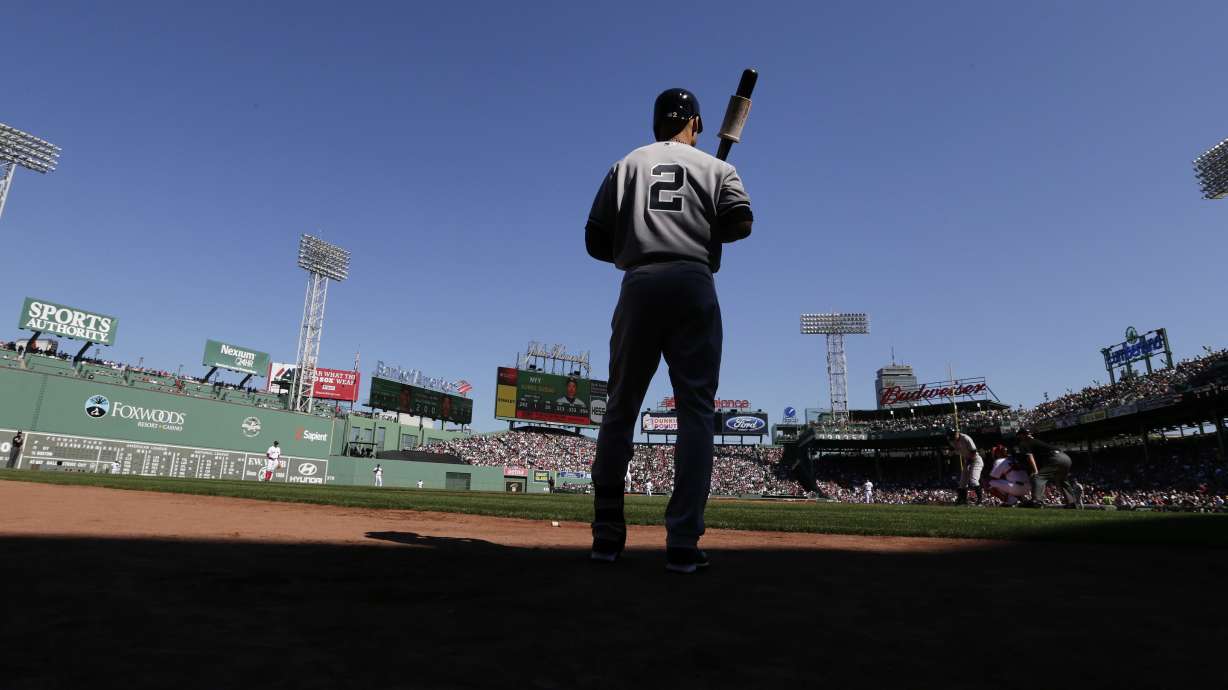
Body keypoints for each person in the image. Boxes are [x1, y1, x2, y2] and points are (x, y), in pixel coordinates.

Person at [586, 87, 753, 574]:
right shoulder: (717, 169)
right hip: (693, 283)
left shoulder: (627, 163)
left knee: (619, 408)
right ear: (697, 124)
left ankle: (607, 535)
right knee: (697, 412)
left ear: (655, 123)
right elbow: (741, 223)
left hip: (638, 283)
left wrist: (635, 241)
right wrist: (705, 231)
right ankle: (682, 541)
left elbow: (595, 240)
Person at [1015, 428, 1080, 508]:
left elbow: (1030, 456)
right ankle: (1072, 503)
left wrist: (1035, 471)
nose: (1019, 437)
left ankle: (1037, 501)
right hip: (1066, 458)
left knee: (1038, 477)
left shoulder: (1025, 442)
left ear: (1022, 435)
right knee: (1062, 481)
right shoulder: (1036, 441)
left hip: (1055, 458)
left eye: (1019, 435)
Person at [948, 429, 984, 505]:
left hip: (975, 460)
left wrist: (969, 463)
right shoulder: (951, 440)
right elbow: (951, 451)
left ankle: (980, 501)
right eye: (950, 436)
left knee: (973, 480)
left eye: (953, 435)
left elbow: (973, 451)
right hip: (967, 460)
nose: (952, 438)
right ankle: (962, 501)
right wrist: (950, 453)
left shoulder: (965, 438)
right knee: (962, 483)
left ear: (957, 432)